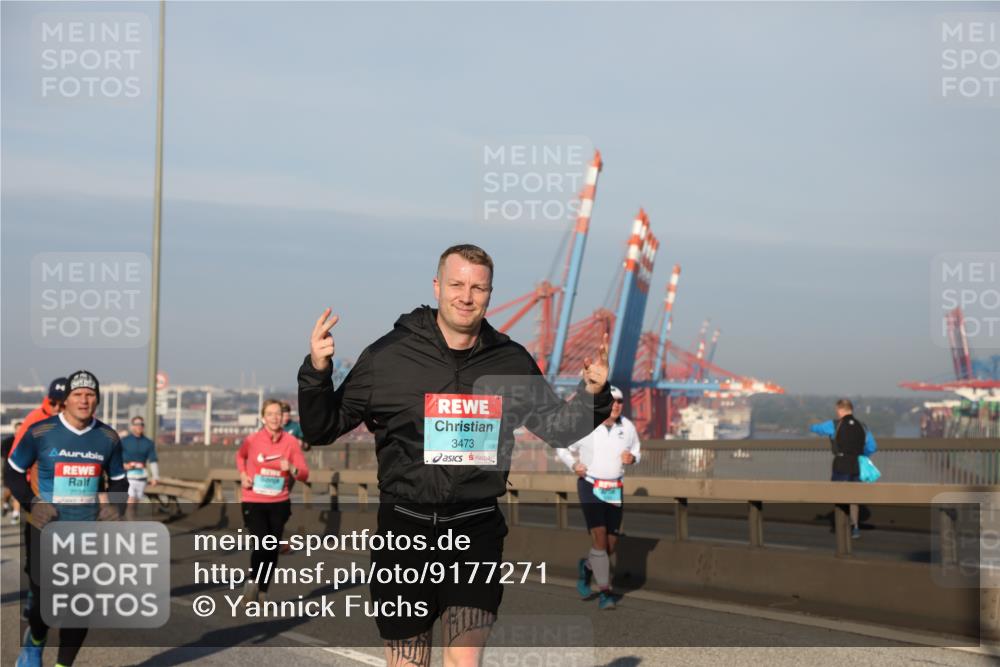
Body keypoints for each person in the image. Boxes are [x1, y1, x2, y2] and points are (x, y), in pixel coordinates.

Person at [298, 244, 612, 667]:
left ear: (490, 293)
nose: (466, 296)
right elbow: (323, 427)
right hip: (404, 530)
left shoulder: (511, 361)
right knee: (409, 662)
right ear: (437, 286)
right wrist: (317, 372)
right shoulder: (388, 356)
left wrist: (593, 395)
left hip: (475, 529)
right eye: (457, 284)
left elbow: (559, 428)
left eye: (478, 287)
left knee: (464, 660)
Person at [5, 370, 126, 667]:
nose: (84, 400)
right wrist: (32, 502)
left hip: (86, 529)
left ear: (97, 399)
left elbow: (120, 481)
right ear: (66, 400)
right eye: (78, 394)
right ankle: (34, 643)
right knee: (43, 601)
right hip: (44, 528)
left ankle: (63, 664)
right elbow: (13, 472)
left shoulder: (108, 437)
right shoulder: (41, 432)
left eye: (90, 395)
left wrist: (115, 507)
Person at [556, 385, 641, 610]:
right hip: (590, 486)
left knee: (610, 545)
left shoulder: (628, 427)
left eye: (619, 401)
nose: (615, 405)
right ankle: (606, 592)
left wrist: (632, 458)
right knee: (600, 537)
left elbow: (637, 451)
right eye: (610, 400)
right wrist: (574, 464)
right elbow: (561, 446)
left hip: (614, 488)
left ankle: (587, 567)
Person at [236, 398, 309, 604]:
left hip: (279, 501)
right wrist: (243, 474)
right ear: (262, 417)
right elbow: (240, 457)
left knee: (272, 547)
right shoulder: (252, 440)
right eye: (270, 414)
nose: (275, 417)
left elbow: (303, 473)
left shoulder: (291, 442)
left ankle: (263, 590)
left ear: (283, 417)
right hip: (254, 499)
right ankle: (253, 582)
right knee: (261, 543)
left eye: (278, 413)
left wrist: (292, 468)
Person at [809, 398, 878, 539]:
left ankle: (840, 526)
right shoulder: (863, 426)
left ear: (840, 409)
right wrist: (861, 454)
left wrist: (812, 426)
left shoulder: (834, 424)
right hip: (858, 464)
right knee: (854, 497)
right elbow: (872, 447)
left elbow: (817, 429)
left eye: (837, 410)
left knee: (839, 494)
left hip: (841, 463)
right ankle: (855, 528)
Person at [9, 378, 68, 524]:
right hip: (38, 489)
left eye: (62, 405)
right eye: (53, 402)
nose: (56, 408)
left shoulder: (81, 421)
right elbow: (15, 458)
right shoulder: (35, 418)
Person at [120, 416, 160, 519]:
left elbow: (153, 460)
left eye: (141, 424)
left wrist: (155, 477)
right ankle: (131, 529)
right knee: (131, 502)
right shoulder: (124, 441)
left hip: (141, 477)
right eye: (137, 424)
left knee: (135, 504)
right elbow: (115, 457)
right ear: (132, 426)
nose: (139, 426)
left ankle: (129, 522)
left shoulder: (148, 443)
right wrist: (124, 465)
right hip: (128, 477)